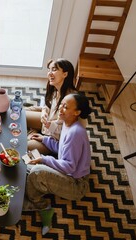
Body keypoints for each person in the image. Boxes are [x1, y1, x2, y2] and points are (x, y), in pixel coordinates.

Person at [24, 93, 92, 235]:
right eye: (61, 104)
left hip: (76, 183)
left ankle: (42, 206)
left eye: (65, 107)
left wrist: (43, 159)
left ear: (76, 112)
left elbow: (69, 167)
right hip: (68, 170)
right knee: (25, 161)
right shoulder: (68, 123)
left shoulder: (76, 133)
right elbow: (61, 148)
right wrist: (44, 140)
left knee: (36, 172)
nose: (60, 109)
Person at [26, 58, 78, 154]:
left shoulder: (71, 100)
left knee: (23, 146)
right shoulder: (56, 89)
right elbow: (47, 104)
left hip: (54, 140)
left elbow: (67, 131)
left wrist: (50, 126)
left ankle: (33, 132)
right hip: (47, 123)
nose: (49, 73)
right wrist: (44, 112)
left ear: (65, 74)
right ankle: (34, 130)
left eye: (54, 69)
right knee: (20, 114)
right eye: (49, 70)